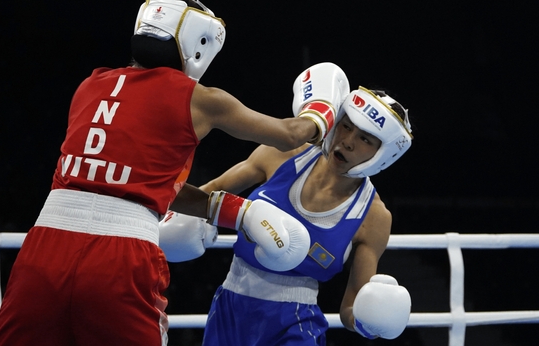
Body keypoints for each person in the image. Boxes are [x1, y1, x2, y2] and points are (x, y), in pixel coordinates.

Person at [0, 0, 342, 346]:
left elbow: (132, 179)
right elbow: (289, 135)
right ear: (198, 44)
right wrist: (323, 108)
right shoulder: (200, 98)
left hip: (45, 246)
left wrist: (235, 211)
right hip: (120, 256)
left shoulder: (89, 86)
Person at [158, 63, 414, 345]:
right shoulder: (286, 152)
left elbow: (350, 308)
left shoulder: (373, 216)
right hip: (230, 305)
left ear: (384, 154)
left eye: (365, 139)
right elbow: (204, 194)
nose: (348, 142)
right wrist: (162, 219)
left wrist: (370, 321)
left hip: (296, 322)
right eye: (345, 126)